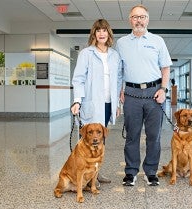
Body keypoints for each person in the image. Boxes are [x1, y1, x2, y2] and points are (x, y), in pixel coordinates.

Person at [116, 4, 172, 186]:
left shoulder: (158, 40)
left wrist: (163, 90)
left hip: (154, 93)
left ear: (147, 19)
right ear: (129, 20)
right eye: (135, 17)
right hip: (131, 93)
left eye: (142, 17)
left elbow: (165, 68)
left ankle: (151, 172)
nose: (138, 20)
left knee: (153, 136)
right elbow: (119, 71)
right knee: (132, 135)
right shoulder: (122, 42)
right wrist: (120, 91)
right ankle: (130, 172)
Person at [71, 19, 122, 184]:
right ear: (94, 34)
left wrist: (118, 104)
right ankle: (83, 175)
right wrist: (77, 101)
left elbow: (119, 79)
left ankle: (96, 174)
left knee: (100, 140)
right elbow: (78, 78)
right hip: (91, 103)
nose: (101, 33)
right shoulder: (86, 53)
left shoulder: (115, 55)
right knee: (87, 141)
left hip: (108, 104)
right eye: (98, 30)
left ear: (109, 34)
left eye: (104, 30)